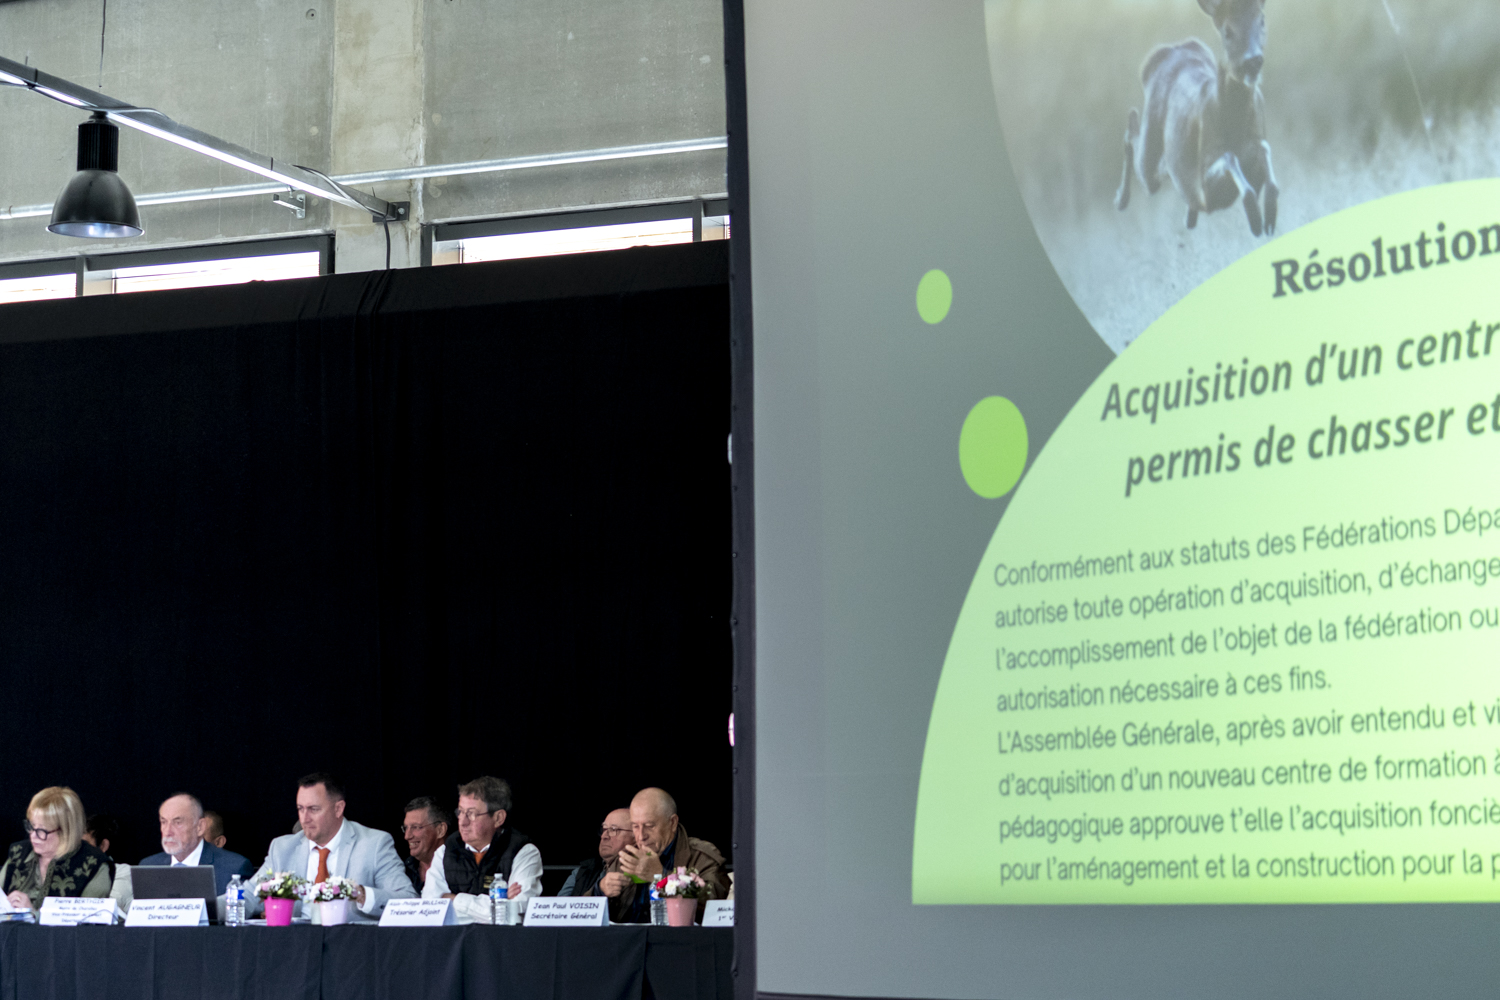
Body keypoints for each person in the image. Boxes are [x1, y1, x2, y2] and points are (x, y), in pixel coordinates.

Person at [246, 773, 414, 921]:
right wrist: (227, 907)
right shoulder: (282, 848)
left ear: (338, 808)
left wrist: (362, 894)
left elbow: (407, 901)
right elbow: (248, 896)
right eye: (300, 809)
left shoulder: (374, 844)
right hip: (295, 942)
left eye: (313, 809)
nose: (304, 819)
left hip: (350, 942)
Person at [421, 776, 542, 923]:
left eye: (472, 813)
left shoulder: (524, 852)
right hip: (455, 937)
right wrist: (499, 903)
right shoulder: (445, 851)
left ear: (498, 818)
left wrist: (454, 899)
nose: (463, 822)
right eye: (460, 812)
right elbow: (431, 909)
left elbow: (516, 913)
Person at [595, 787, 727, 923]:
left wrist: (660, 876)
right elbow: (585, 913)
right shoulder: (627, 856)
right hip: (627, 936)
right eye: (635, 826)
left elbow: (715, 906)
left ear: (672, 823)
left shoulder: (701, 856)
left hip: (677, 936)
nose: (641, 836)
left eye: (649, 826)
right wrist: (601, 889)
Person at [2, 787, 114, 913]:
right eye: (31, 826)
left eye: (42, 830)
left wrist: (32, 914)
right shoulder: (19, 853)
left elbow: (87, 920)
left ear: (66, 831)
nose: (33, 836)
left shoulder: (94, 864)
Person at [138, 793, 255, 895]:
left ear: (200, 827)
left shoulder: (233, 868)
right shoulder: (147, 866)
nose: (168, 831)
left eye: (178, 822)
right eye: (163, 822)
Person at [559, 808, 633, 897]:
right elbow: (559, 905)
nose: (604, 836)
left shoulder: (643, 872)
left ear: (636, 835)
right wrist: (598, 889)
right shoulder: (581, 872)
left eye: (613, 829)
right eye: (604, 829)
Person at [400, 797, 450, 894]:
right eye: (406, 828)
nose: (407, 836)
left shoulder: (461, 867)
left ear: (440, 830)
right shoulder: (403, 870)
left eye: (416, 827)